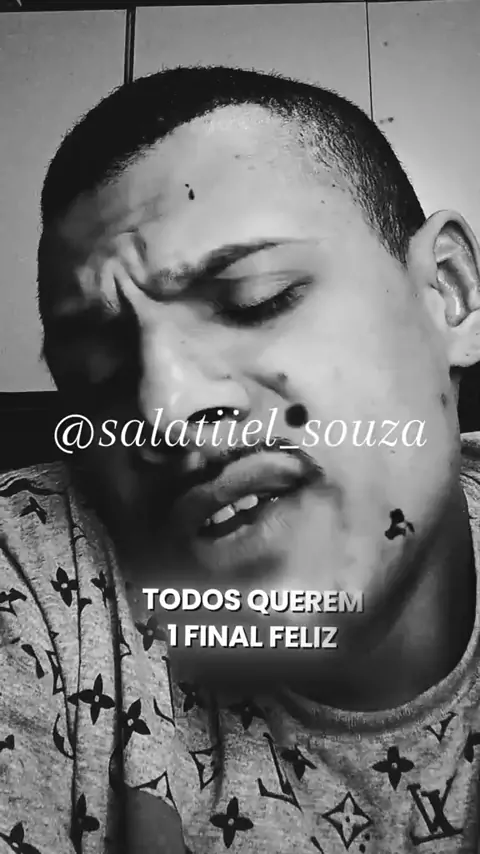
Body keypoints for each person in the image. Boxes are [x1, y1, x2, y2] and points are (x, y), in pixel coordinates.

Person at [1, 64, 480, 854]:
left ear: (448, 293)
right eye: (98, 373)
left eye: (257, 297)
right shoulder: (36, 572)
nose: (161, 409)